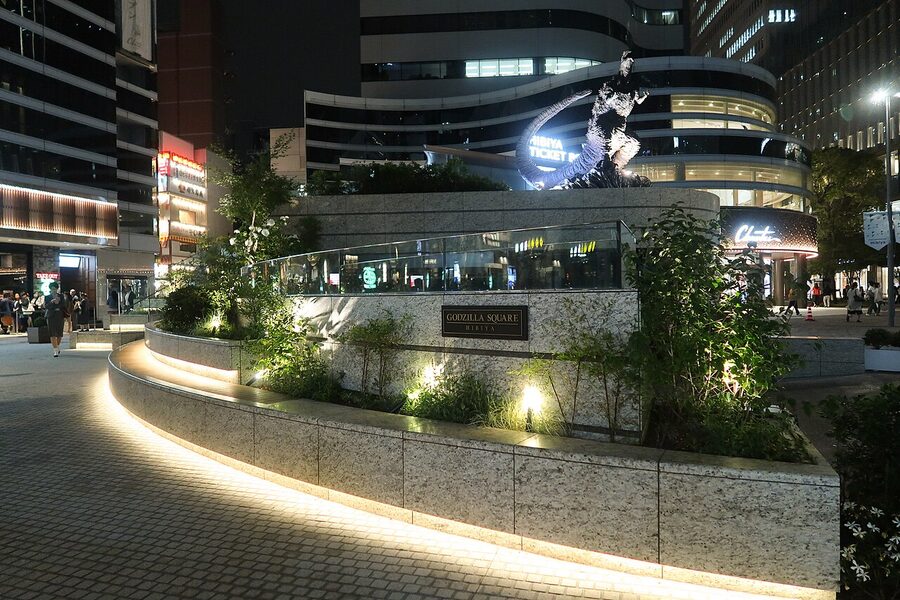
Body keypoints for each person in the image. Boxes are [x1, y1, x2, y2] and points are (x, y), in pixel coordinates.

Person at [45, 282, 66, 357]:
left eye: (55, 289)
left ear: (57, 289)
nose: (53, 290)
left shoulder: (61, 296)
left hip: (59, 316)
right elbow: (46, 306)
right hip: (51, 316)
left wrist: (58, 302)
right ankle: (55, 350)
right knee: (52, 333)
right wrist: (52, 302)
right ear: (50, 289)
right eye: (52, 289)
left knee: (59, 333)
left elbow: (64, 305)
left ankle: (57, 346)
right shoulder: (47, 297)